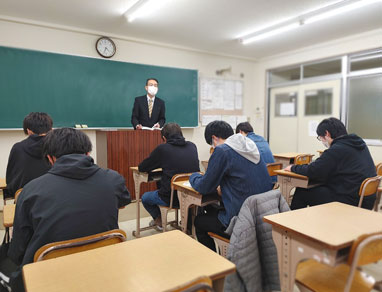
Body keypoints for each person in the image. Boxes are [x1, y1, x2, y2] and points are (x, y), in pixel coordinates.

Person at [4, 128, 131, 291]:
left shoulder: (31, 190)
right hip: (103, 267)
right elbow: (123, 203)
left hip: (47, 277)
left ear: (50, 158)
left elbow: (17, 252)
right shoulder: (113, 179)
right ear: (88, 153)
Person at [189, 121, 273, 251]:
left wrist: (194, 176)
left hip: (241, 219)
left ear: (214, 138)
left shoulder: (222, 151)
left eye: (212, 144)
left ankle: (215, 265)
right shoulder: (250, 146)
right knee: (212, 208)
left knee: (199, 221)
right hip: (263, 214)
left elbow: (204, 186)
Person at [284, 117, 376, 210]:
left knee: (302, 191)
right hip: (366, 199)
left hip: (350, 201)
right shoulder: (358, 143)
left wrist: (293, 168)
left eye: (320, 138)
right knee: (320, 188)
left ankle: (293, 223)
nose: (322, 141)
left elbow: (313, 171)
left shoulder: (337, 149)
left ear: (327, 134)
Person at [139, 123, 199, 230]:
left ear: (164, 138)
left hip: (171, 199)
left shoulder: (163, 149)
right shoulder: (192, 146)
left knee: (145, 198)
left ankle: (160, 221)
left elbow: (142, 167)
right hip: (191, 197)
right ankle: (187, 223)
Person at [5, 112, 53, 198]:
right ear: (51, 129)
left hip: (24, 198)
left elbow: (10, 179)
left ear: (28, 131)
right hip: (52, 198)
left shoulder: (18, 148)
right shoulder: (59, 147)